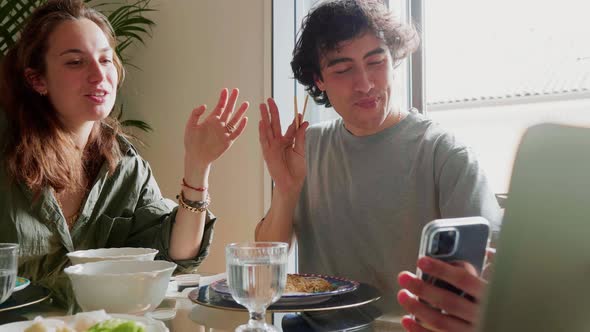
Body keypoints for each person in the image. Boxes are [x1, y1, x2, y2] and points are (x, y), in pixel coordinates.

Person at [255, 0, 501, 330]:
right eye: (343, 70)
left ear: (394, 60)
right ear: (319, 80)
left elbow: (495, 274)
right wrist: (285, 191)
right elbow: (260, 273)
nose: (365, 83)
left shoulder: (443, 153)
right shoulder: (307, 149)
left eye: (376, 61)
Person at [0, 0, 248, 309]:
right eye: (75, 62)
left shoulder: (125, 166)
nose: (98, 75)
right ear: (37, 80)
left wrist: (198, 166)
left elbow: (175, 256)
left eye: (105, 60)